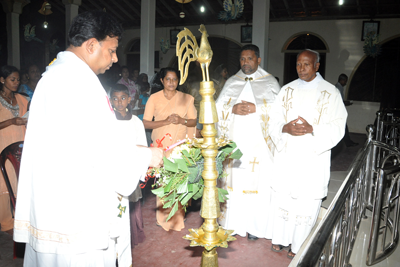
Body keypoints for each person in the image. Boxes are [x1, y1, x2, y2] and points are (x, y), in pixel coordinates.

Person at [13, 10, 163, 267]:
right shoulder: (78, 83)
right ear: (92, 44)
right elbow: (100, 152)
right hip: (76, 214)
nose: (115, 59)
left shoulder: (55, 77)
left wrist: (133, 149)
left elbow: (81, 142)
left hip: (55, 203)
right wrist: (151, 155)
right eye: (112, 50)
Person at [267, 49, 347, 259]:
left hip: (313, 157)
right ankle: (281, 239)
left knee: (305, 200)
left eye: (307, 65)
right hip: (287, 154)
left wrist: (314, 129)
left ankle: (299, 245)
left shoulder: (330, 92)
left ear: (317, 66)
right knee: (283, 197)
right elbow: (273, 119)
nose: (301, 69)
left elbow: (339, 125)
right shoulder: (286, 90)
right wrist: (284, 128)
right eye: (298, 65)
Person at [215, 44, 280, 240]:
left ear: (258, 60)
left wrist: (257, 108)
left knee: (257, 183)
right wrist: (232, 110)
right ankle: (232, 223)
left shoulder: (269, 82)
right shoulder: (232, 82)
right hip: (236, 142)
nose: (245, 63)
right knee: (234, 180)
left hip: (259, 145)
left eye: (250, 59)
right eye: (242, 59)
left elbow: (279, 112)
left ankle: (255, 227)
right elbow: (218, 108)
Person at [143, 67, 197, 232]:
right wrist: (165, 122)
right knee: (164, 183)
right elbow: (145, 123)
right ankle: (164, 219)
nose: (171, 82)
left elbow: (193, 122)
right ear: (162, 81)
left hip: (180, 147)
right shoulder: (154, 98)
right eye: (168, 79)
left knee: (178, 183)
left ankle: (177, 219)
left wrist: (181, 120)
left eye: (174, 79)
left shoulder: (187, 99)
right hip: (161, 146)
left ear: (178, 81)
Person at [109, 84, 146, 252]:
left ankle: (132, 236)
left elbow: (142, 144)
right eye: (115, 99)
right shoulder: (108, 120)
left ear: (129, 99)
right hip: (113, 168)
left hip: (130, 168)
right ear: (110, 101)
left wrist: (140, 170)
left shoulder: (136, 121)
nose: (119, 102)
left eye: (123, 98)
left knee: (131, 203)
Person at [0, 65, 28, 235]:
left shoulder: (22, 99)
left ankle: (21, 218)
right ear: (2, 80)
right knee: (4, 182)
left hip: (21, 144)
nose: (16, 82)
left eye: (18, 79)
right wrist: (11, 122)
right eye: (12, 79)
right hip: (3, 144)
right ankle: (6, 223)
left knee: (20, 180)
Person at [335, 73, 358, 147]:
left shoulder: (338, 87)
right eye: (345, 81)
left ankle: (347, 142)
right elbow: (339, 101)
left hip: (337, 111)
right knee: (344, 127)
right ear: (341, 80)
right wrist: (347, 102)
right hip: (338, 112)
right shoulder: (338, 88)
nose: (346, 83)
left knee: (343, 127)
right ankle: (348, 142)